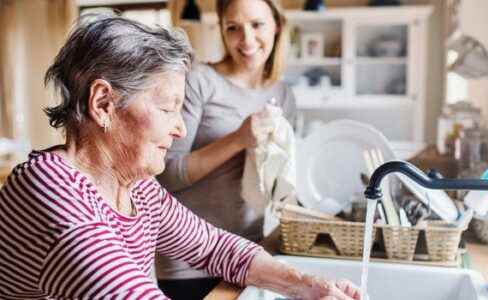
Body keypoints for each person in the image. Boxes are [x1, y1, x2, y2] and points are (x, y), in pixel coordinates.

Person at [0, 14, 359, 300]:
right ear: (103, 104)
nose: (180, 129)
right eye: (168, 108)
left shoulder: (137, 187)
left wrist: (310, 286)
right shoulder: (49, 188)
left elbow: (214, 247)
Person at [155, 0, 298, 297]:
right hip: (189, 260)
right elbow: (165, 174)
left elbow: (279, 173)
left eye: (257, 24)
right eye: (233, 28)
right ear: (221, 31)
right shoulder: (199, 81)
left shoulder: (283, 94)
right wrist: (237, 139)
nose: (246, 39)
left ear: (277, 25)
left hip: (250, 252)